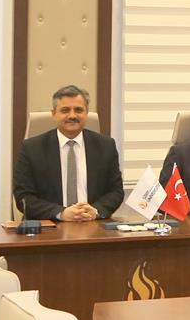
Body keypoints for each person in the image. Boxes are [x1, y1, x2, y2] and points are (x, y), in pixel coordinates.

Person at [13, 85, 124, 222]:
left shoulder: (106, 146)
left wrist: (95, 211)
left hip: (93, 224)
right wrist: (61, 213)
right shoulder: (32, 148)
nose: (72, 115)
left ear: (86, 113)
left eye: (78, 110)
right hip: (50, 225)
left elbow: (116, 191)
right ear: (54, 114)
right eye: (65, 110)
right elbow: (23, 197)